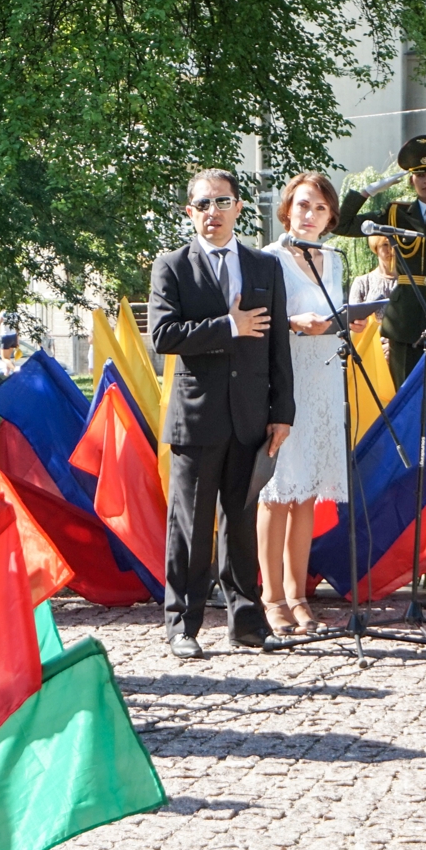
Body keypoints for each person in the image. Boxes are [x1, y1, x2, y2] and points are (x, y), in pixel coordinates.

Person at [149, 169, 294, 658]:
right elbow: (164, 336)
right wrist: (227, 325)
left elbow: (278, 345)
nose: (213, 212)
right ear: (190, 212)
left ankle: (247, 623)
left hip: (251, 416)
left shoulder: (264, 267)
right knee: (191, 525)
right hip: (197, 417)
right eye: (203, 204)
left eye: (222, 202)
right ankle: (182, 626)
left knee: (242, 523)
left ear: (238, 208)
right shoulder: (172, 266)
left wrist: (283, 410)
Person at [257, 173, 346, 636]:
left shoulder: (335, 260)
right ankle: (271, 599)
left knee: (307, 490)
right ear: (287, 209)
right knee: (277, 492)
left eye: (320, 208)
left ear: (331, 218)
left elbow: (336, 314)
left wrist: (347, 322)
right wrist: (293, 322)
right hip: (284, 379)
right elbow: (258, 320)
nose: (310, 215)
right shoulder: (269, 258)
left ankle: (299, 597)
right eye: (303, 205)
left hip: (325, 378)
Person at [334, 136, 426, 385]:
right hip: (405, 325)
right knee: (404, 400)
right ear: (411, 180)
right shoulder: (396, 214)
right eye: (420, 175)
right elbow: (341, 225)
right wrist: (368, 192)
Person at [348, 234, 398, 311]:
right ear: (376, 248)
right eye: (385, 244)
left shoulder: (409, 281)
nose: (391, 249)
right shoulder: (362, 283)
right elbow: (354, 316)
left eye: (394, 244)